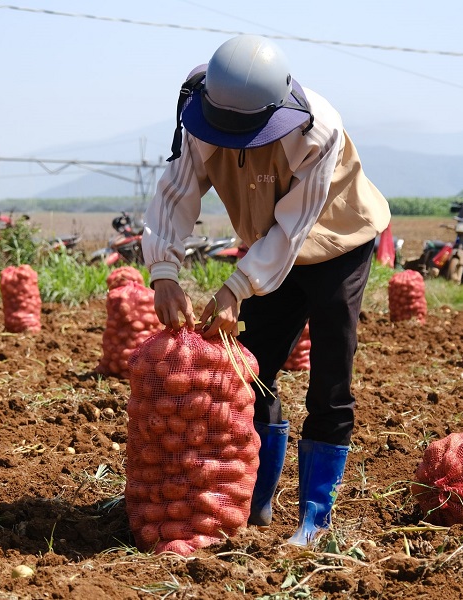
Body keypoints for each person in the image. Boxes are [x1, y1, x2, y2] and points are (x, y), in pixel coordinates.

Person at [141, 34, 391, 546]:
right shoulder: (197, 117)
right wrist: (163, 273)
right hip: (264, 243)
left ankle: (315, 517)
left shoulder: (317, 130)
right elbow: (176, 193)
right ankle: (254, 499)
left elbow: (292, 229)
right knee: (250, 370)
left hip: (336, 244)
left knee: (329, 374)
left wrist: (236, 288)